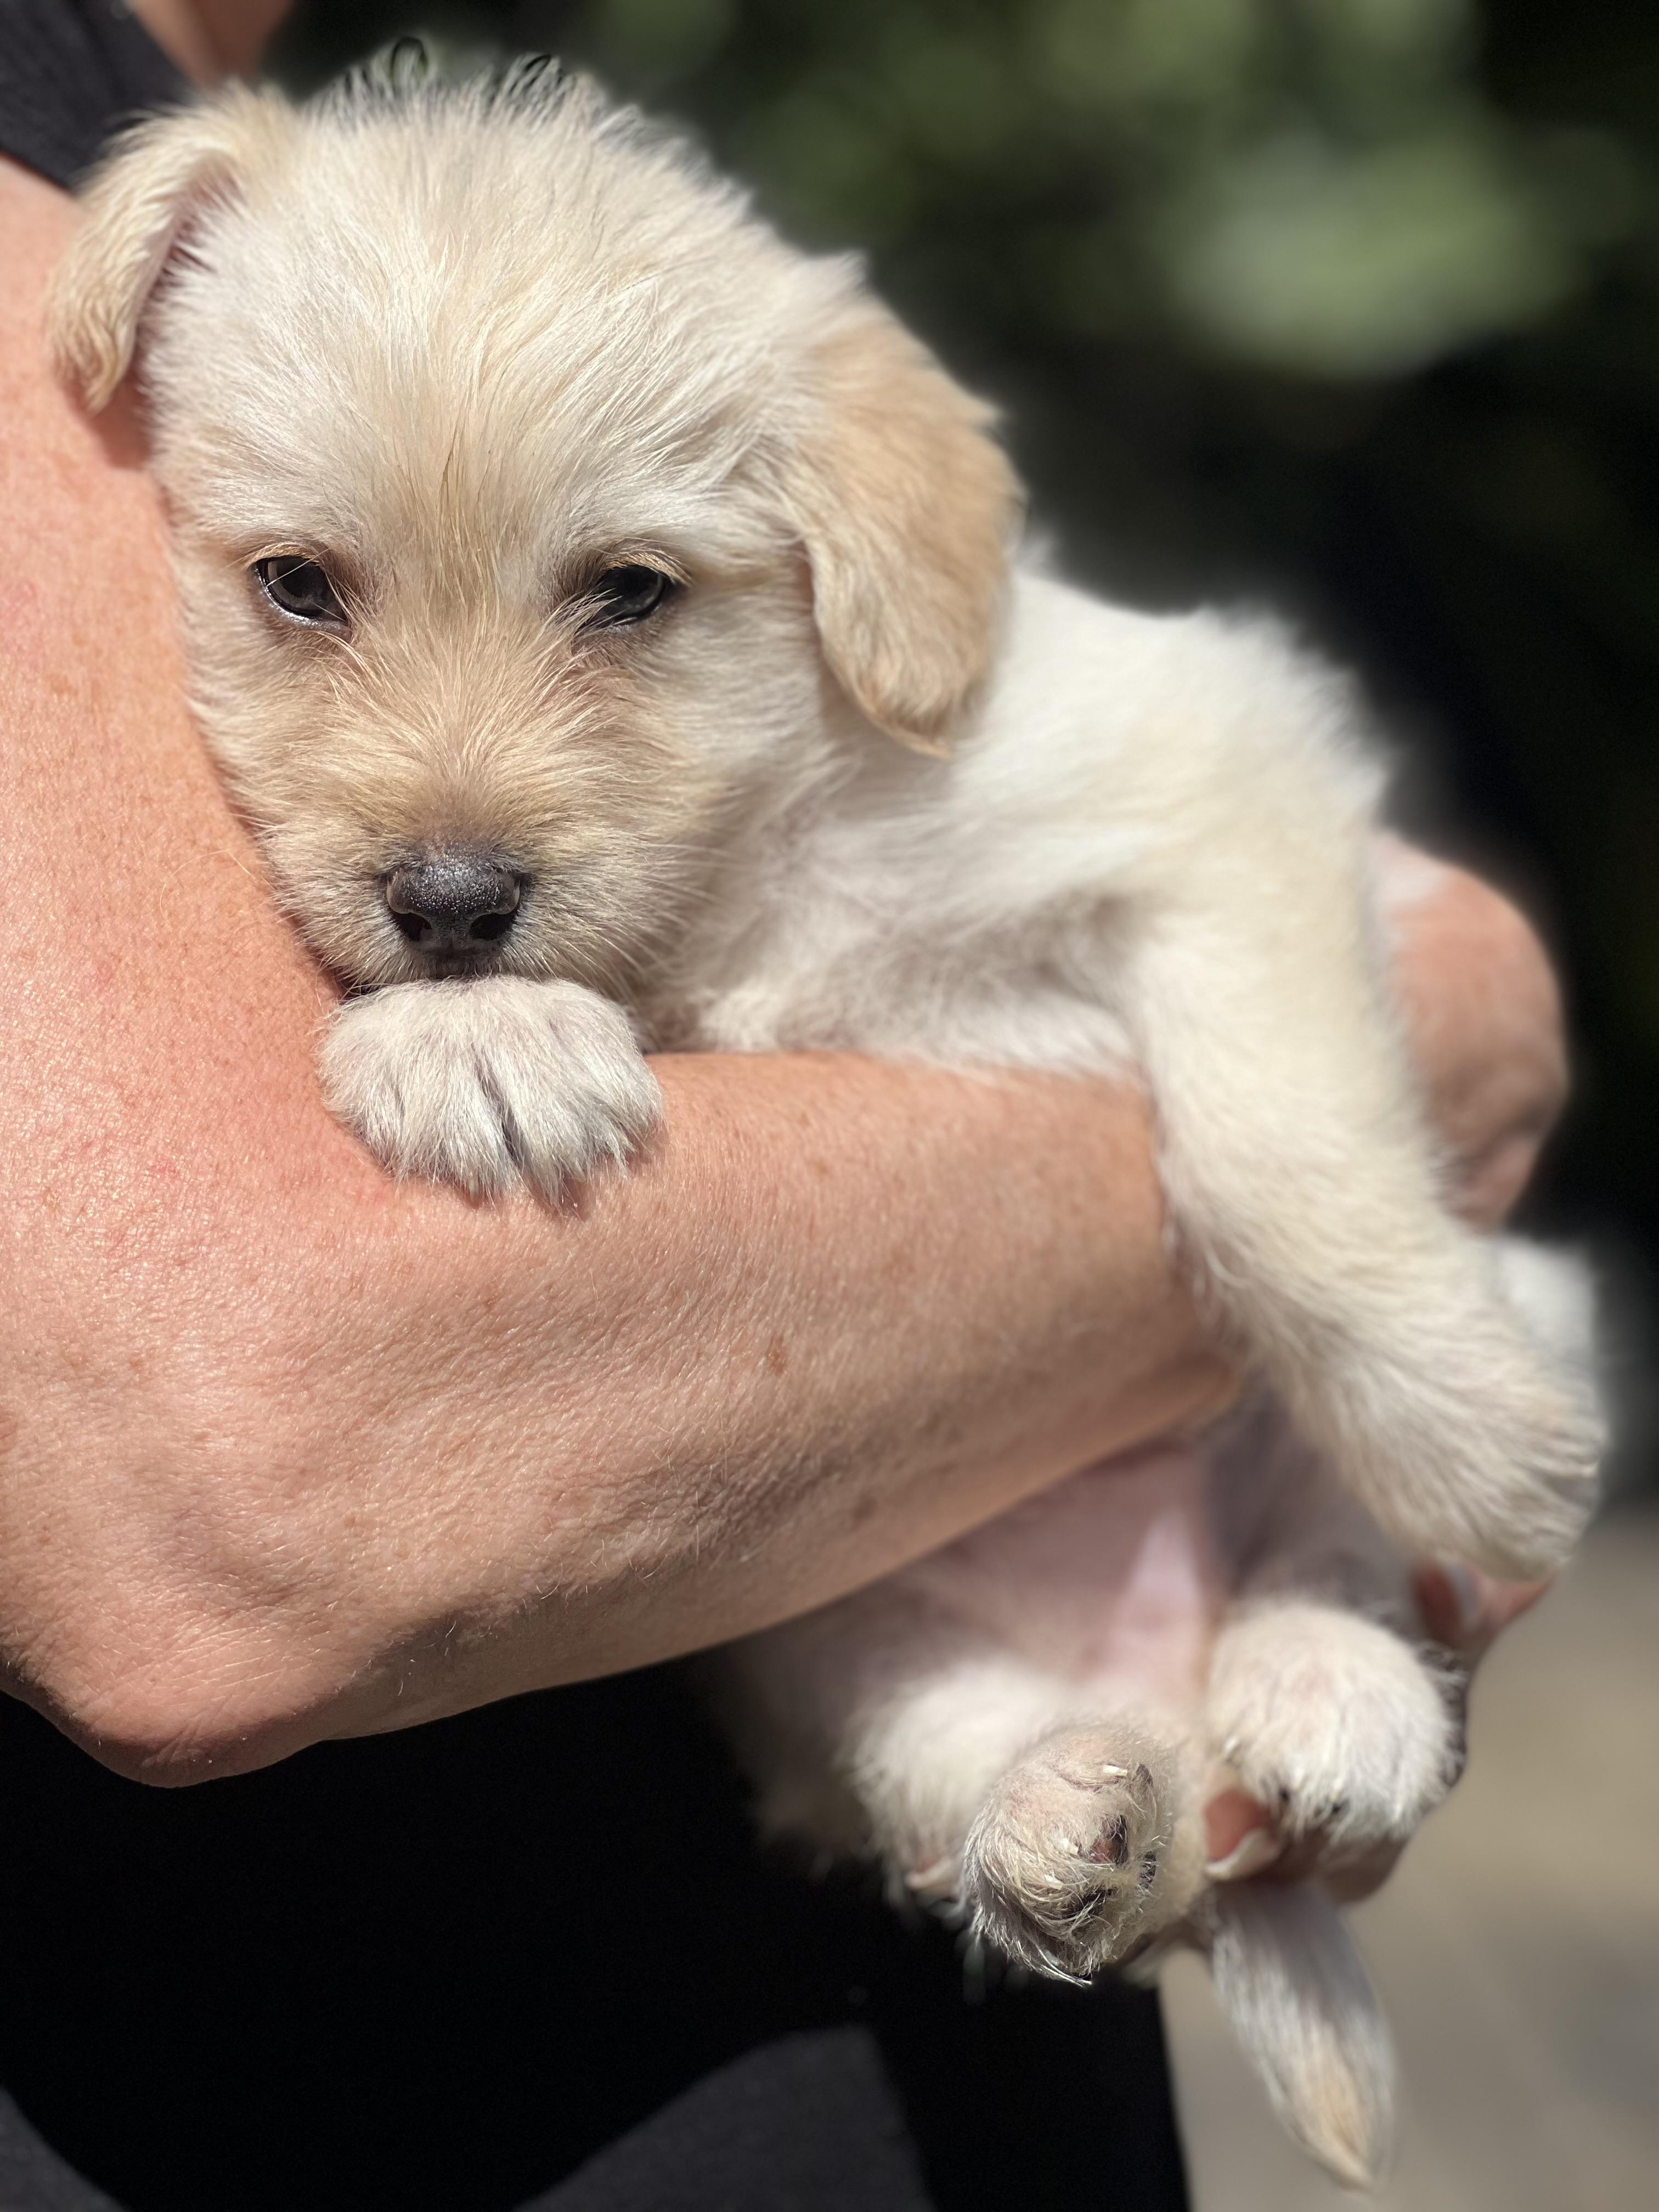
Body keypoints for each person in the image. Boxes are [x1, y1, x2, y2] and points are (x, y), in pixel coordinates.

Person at [0, 3, 1561, 2205]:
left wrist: (1342, 1310)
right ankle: (1018, 1758)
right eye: (301, 597)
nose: (450, 825)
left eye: (623, 600)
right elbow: (233, 1486)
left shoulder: (205, 197)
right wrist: (1448, 1044)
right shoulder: (130, 244)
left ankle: (1242, 1651)